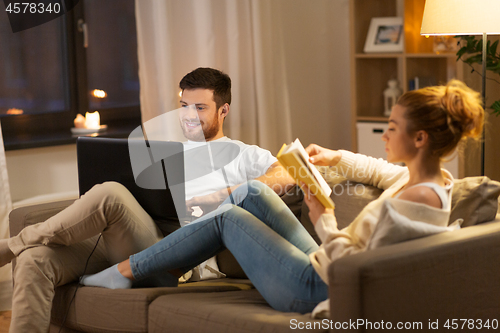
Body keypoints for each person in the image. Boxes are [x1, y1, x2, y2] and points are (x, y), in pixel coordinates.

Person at [81, 80, 484, 318]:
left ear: (419, 138)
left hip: (322, 288)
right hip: (327, 271)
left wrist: (322, 216)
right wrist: (331, 157)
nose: (384, 135)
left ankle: (127, 271)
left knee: (228, 219)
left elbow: (361, 270)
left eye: (392, 128)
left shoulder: (417, 201)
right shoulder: (429, 179)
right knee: (253, 190)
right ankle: (166, 268)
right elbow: (374, 169)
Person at [0, 67, 294, 332]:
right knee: (34, 260)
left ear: (223, 110)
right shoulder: (163, 152)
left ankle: (10, 246)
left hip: (176, 254)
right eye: (183, 106)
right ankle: (20, 248)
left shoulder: (242, 154)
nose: (189, 115)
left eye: (200, 107)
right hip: (126, 238)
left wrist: (221, 194)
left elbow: (288, 174)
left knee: (111, 193)